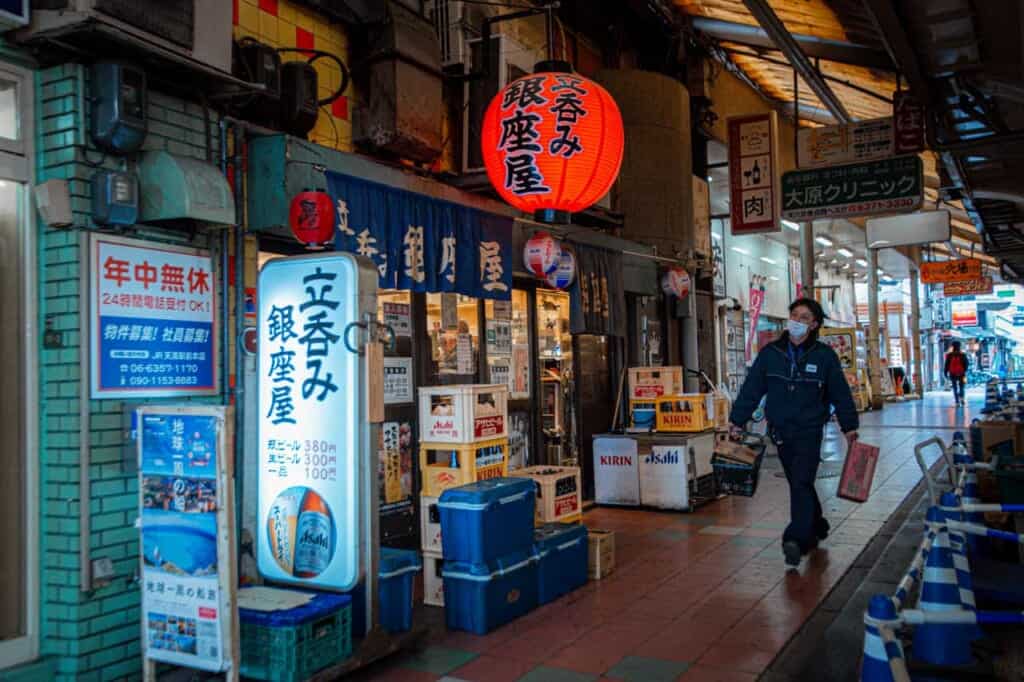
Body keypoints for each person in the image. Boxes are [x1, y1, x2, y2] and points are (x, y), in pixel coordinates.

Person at [729, 298, 859, 568]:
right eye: (794, 315)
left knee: (800, 481)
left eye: (804, 317)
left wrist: (849, 428)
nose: (797, 321)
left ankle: (796, 539)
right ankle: (817, 523)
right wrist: (737, 420)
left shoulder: (824, 357)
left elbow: (840, 393)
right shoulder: (771, 353)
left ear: (814, 324)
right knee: (799, 481)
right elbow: (752, 388)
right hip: (780, 432)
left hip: (810, 430)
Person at [944, 341, 969, 407]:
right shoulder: (963, 354)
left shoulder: (949, 355)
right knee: (962, 386)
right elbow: (966, 364)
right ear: (959, 346)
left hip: (952, 373)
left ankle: (957, 401)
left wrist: (945, 372)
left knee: (955, 387)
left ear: (953, 346)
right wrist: (964, 370)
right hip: (961, 373)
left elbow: (947, 364)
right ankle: (962, 399)